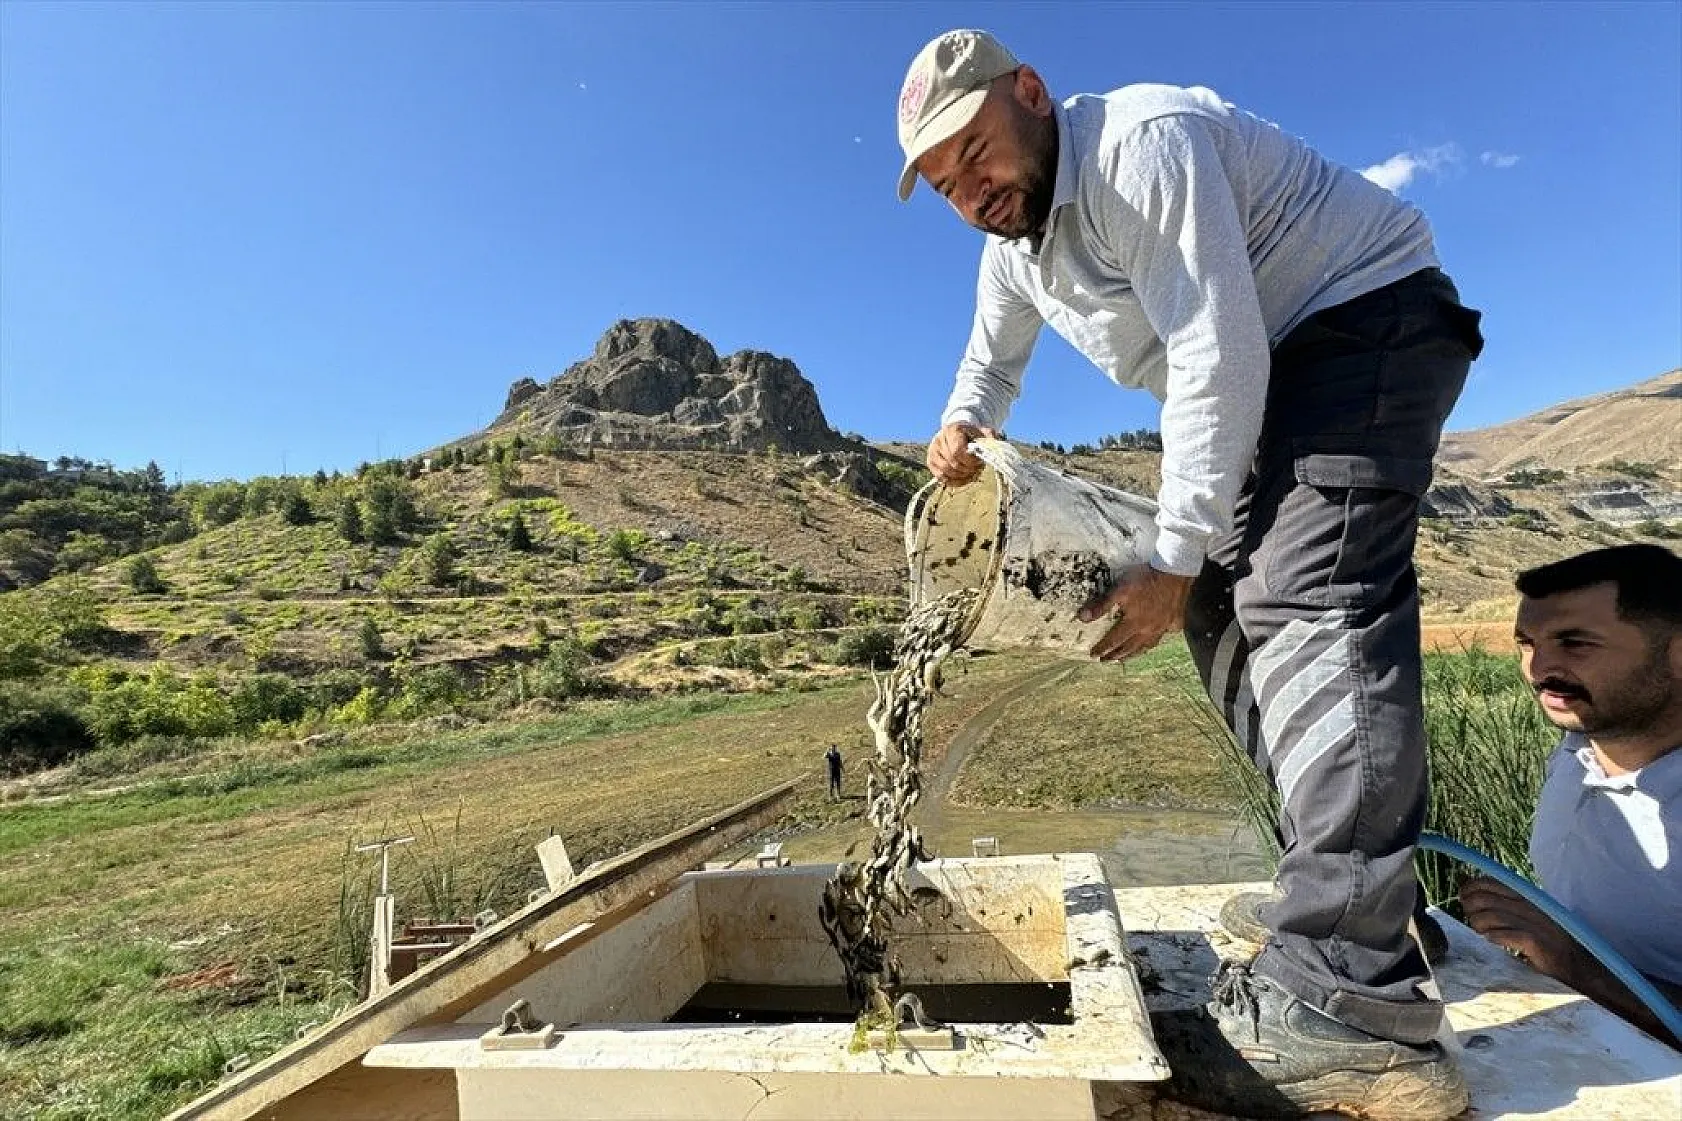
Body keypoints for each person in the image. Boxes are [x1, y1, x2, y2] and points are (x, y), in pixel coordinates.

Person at [896, 29, 1483, 1119]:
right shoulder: (1011, 248)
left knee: (1306, 598)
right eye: (942, 183)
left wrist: (1170, 554)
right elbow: (990, 356)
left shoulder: (1137, 147)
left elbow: (1215, 349)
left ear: (1031, 94)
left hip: (1358, 320)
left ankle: (1350, 1007)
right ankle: (1351, 896)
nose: (968, 189)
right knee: (1219, 602)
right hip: (1275, 363)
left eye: (974, 151)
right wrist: (962, 424)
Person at [1459, 545, 1682, 1048]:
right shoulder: (1577, 749)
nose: (1539, 669)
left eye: (1575, 643)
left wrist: (1576, 965)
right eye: (1526, 643)